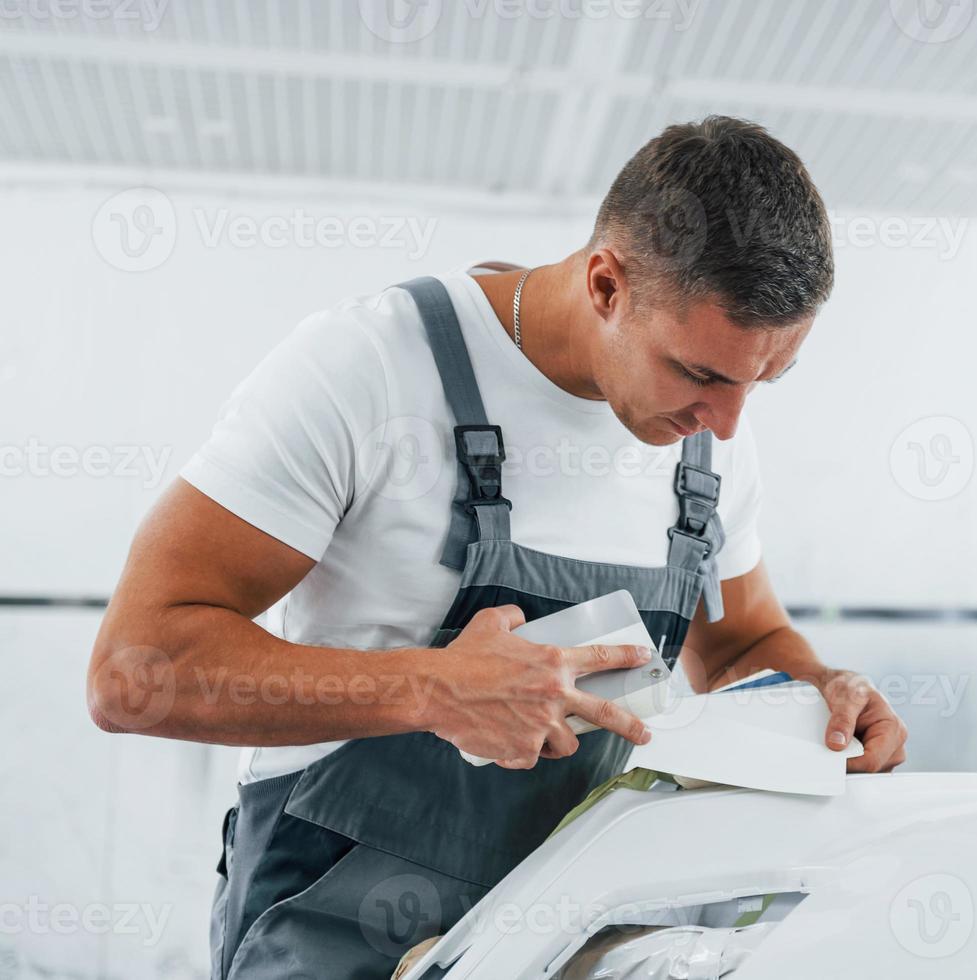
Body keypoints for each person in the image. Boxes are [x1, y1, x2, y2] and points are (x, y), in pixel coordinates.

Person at [87, 115, 908, 978]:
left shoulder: (707, 438)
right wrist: (431, 690)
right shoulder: (370, 368)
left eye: (763, 381)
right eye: (701, 373)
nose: (729, 421)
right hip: (335, 932)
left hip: (574, 944)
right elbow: (134, 669)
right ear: (605, 284)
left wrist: (820, 698)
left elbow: (742, 642)